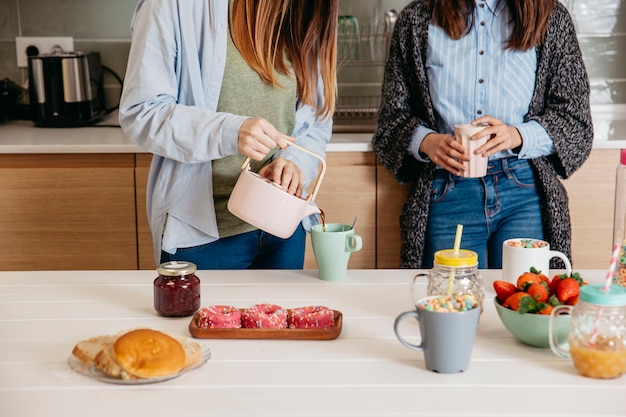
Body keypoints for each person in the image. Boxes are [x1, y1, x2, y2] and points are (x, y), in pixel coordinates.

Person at [372, 0, 593, 269]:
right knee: (450, 303)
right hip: (448, 189)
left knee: (522, 302)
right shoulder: (417, 19)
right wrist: (428, 142)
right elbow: (391, 120)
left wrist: (517, 135)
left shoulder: (550, 17)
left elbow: (575, 119)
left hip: (523, 192)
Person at [119, 0, 338, 269]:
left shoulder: (303, 11)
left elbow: (315, 121)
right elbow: (142, 112)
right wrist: (230, 132)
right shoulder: (172, 5)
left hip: (283, 228)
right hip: (202, 238)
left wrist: (294, 161)